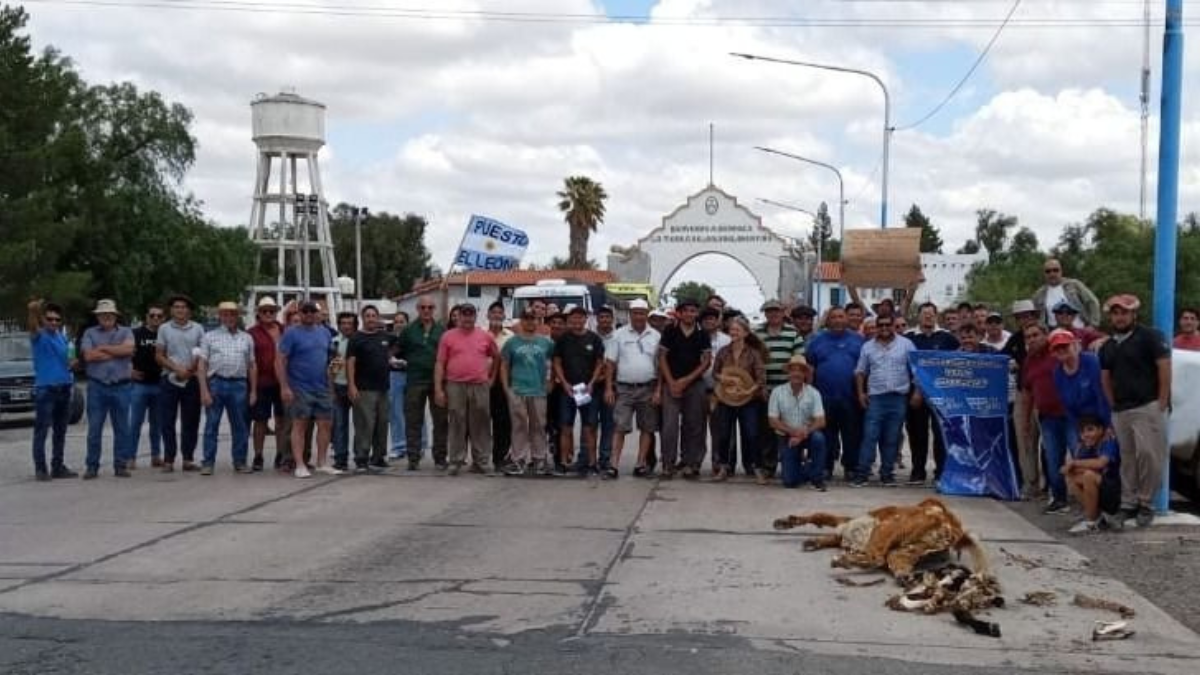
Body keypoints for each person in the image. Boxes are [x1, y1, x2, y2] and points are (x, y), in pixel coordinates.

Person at [1099, 294, 1171, 528]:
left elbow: (1164, 367)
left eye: (1124, 312)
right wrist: (1112, 406)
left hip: (1146, 405)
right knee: (1127, 459)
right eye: (1115, 312)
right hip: (1121, 409)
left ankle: (1146, 503)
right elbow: (1105, 377)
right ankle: (1128, 504)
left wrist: (1161, 401)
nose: (1119, 317)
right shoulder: (1108, 346)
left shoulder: (1150, 337)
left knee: (1149, 455)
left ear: (1134, 314)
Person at [852, 314, 915, 487]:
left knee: (891, 438)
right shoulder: (868, 347)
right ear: (877, 327)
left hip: (898, 398)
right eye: (881, 325)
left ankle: (887, 474)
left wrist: (917, 393)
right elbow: (860, 372)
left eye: (888, 325)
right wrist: (860, 393)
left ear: (894, 325)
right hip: (876, 399)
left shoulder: (906, 345)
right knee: (869, 437)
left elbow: (916, 371)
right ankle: (862, 474)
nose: (885, 328)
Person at [435, 304, 499, 475]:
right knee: (456, 422)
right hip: (455, 384)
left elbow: (496, 356)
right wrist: (438, 389)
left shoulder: (485, 336)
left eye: (471, 315)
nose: (467, 318)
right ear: (459, 316)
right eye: (464, 314)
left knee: (481, 424)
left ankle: (482, 461)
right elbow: (440, 363)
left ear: (475, 317)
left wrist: (492, 378)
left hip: (480, 385)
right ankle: (455, 461)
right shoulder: (447, 336)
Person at [277, 300, 336, 478]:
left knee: (325, 424)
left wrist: (331, 383)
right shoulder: (291, 334)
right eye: (305, 311)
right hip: (300, 387)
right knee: (300, 425)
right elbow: (281, 360)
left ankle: (322, 462)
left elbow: (330, 359)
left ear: (318, 313)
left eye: (312, 311)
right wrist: (285, 386)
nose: (309, 314)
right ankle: (300, 464)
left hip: (322, 387)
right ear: (300, 313)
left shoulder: (325, 333)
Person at [805, 306, 865, 481]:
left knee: (852, 434)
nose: (838, 320)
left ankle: (851, 467)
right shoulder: (817, 341)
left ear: (846, 319)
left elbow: (865, 369)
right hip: (824, 397)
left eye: (841, 317)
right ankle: (826, 467)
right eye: (834, 317)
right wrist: (809, 395)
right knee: (826, 435)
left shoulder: (858, 341)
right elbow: (810, 369)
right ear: (828, 321)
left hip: (851, 397)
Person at [197, 301, 256, 475]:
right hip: (216, 383)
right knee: (211, 425)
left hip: (239, 384)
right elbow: (202, 365)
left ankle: (240, 461)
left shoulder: (246, 338)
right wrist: (204, 390)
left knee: (240, 426)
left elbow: (252, 365)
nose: (229, 317)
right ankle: (207, 462)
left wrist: (253, 391)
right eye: (225, 314)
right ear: (220, 316)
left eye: (232, 314)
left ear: (238, 316)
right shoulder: (209, 337)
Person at [605, 299, 661, 479]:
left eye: (642, 313)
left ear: (647, 315)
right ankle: (613, 465)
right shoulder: (618, 334)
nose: (638, 316)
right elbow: (610, 363)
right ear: (630, 314)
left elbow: (661, 366)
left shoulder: (656, 336)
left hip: (648, 387)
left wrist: (658, 390)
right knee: (620, 427)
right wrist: (608, 388)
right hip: (624, 388)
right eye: (635, 313)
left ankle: (640, 464)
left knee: (647, 427)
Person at [80, 299, 135, 479]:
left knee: (122, 428)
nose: (106, 317)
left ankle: (120, 465)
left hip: (121, 386)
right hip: (97, 386)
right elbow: (88, 355)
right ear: (97, 316)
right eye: (102, 314)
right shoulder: (89, 333)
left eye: (110, 314)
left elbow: (128, 350)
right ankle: (92, 466)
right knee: (94, 429)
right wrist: (115, 351)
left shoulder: (127, 331)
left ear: (115, 315)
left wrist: (103, 348)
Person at [1021, 323, 1072, 514]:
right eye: (1028, 337)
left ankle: (1093, 501)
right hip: (1047, 417)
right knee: (1053, 459)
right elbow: (1027, 393)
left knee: (1080, 453)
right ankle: (1059, 499)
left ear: (1045, 335)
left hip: (1070, 414)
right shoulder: (1029, 361)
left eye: (1035, 335)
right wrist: (1026, 421)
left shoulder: (1058, 353)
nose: (1032, 339)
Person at [905, 302, 959, 485]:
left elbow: (955, 364)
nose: (928, 317)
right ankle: (918, 470)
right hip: (915, 394)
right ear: (918, 316)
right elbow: (907, 367)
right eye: (924, 313)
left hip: (941, 395)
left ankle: (941, 470)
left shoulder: (948, 338)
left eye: (931, 314)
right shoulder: (909, 338)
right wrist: (915, 390)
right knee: (917, 433)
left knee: (940, 433)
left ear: (936, 316)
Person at [659, 299, 712, 480]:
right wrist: (672, 381)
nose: (690, 314)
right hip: (671, 383)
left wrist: (686, 380)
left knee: (694, 425)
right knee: (669, 426)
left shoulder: (702, 333)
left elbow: (706, 361)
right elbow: (662, 357)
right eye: (687, 311)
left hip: (694, 383)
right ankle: (668, 463)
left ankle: (691, 463)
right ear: (679, 313)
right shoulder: (670, 330)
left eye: (693, 311)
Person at [500, 308, 556, 476]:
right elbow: (504, 365)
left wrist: (551, 382)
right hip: (518, 389)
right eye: (526, 318)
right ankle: (519, 460)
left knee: (539, 425)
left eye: (533, 318)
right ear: (521, 321)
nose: (530, 321)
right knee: (519, 426)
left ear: (537, 321)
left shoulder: (546, 343)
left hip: (538, 390)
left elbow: (554, 363)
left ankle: (539, 459)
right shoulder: (512, 342)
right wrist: (506, 387)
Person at [26, 299, 77, 481]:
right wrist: (33, 311)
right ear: (44, 320)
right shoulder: (39, 336)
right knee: (42, 430)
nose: (54, 322)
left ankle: (58, 466)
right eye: (50, 319)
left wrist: (74, 364)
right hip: (46, 388)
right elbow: (32, 326)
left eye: (57, 320)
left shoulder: (62, 338)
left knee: (60, 430)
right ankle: (41, 468)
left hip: (64, 387)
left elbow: (69, 361)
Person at [552, 305, 605, 477]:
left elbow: (599, 363)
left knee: (589, 427)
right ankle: (565, 462)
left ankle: (592, 463)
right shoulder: (563, 339)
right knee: (566, 426)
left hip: (588, 390)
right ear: (569, 320)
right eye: (573, 318)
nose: (576, 321)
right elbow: (557, 362)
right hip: (568, 390)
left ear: (585, 319)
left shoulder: (594, 339)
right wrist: (565, 383)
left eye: (580, 318)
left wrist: (592, 383)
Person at [711, 317, 767, 482]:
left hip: (748, 400)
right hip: (726, 398)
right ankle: (723, 467)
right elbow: (714, 373)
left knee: (751, 434)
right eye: (732, 329)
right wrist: (723, 378)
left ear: (746, 333)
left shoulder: (753, 353)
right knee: (724, 435)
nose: (733, 332)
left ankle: (757, 468)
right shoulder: (723, 352)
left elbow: (761, 378)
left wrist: (749, 390)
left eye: (737, 330)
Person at [397, 296, 448, 471]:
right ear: (418, 309)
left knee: (440, 420)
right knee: (413, 420)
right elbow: (398, 351)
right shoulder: (409, 330)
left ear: (434, 309)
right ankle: (413, 457)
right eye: (423, 307)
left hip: (437, 382)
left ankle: (440, 458)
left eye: (430, 307)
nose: (426, 310)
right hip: (414, 380)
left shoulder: (442, 331)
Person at [156, 293, 204, 472]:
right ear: (171, 310)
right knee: (167, 421)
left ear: (189, 311)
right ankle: (169, 459)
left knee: (191, 420)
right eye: (176, 307)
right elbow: (159, 355)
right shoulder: (164, 329)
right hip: (169, 379)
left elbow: (202, 353)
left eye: (183, 307)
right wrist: (176, 368)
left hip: (191, 380)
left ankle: (188, 459)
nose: (180, 310)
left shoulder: (198, 328)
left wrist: (190, 369)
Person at [755, 299, 802, 478]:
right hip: (764, 390)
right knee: (767, 430)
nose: (773, 314)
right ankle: (768, 466)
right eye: (769, 311)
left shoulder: (793, 333)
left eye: (776, 311)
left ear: (783, 313)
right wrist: (761, 387)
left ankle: (789, 465)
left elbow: (798, 361)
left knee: (787, 428)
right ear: (765, 313)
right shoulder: (757, 333)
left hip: (786, 389)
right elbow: (754, 362)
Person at [346, 305, 394, 472]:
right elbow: (350, 363)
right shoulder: (356, 338)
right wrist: (351, 386)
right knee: (365, 424)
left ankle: (378, 457)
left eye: (374, 315)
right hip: (364, 389)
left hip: (383, 388)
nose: (371, 318)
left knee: (382, 423)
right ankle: (361, 458)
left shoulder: (385, 336)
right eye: (368, 316)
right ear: (362, 318)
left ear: (378, 317)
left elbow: (395, 349)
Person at [1003, 299, 1043, 498]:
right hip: (1023, 392)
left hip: (1045, 394)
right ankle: (1030, 484)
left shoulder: (1049, 337)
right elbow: (1001, 358)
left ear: (1036, 317)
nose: (1025, 319)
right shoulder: (1016, 339)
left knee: (1050, 442)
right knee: (1024, 439)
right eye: (1020, 317)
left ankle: (1054, 486)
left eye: (1028, 315)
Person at [770, 355, 828, 490]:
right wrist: (793, 432)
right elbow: (773, 421)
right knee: (789, 482)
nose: (796, 373)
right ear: (788, 373)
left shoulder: (813, 393)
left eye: (800, 370)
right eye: (793, 370)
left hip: (807, 434)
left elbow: (821, 421)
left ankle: (817, 478)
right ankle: (806, 468)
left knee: (819, 438)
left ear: (805, 374)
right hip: (786, 436)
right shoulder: (777, 392)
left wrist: (802, 434)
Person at [1064, 415, 1122, 534]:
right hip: (1101, 489)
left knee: (1088, 476)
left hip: (1116, 492)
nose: (1086, 434)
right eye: (1082, 432)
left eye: (1090, 429)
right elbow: (1068, 470)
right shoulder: (1084, 447)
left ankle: (1091, 522)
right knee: (1072, 478)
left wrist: (1075, 463)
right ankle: (1096, 517)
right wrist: (1073, 466)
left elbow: (1101, 463)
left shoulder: (1108, 441)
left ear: (1100, 430)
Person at [248, 296, 287, 472]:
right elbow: (250, 362)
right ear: (259, 313)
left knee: (281, 420)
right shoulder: (251, 333)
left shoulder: (285, 330)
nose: (268, 314)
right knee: (260, 420)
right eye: (265, 311)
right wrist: (252, 389)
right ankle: (258, 455)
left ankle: (280, 454)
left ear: (276, 312)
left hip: (282, 382)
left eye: (272, 311)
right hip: (262, 382)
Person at [1051, 329, 1110, 433]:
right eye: (1057, 348)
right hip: (1081, 424)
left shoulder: (1091, 361)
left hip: (1102, 419)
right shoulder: (1057, 373)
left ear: (1074, 345)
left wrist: (1106, 425)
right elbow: (1067, 406)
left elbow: (1102, 395)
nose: (1061, 350)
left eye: (1064, 346)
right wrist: (1080, 430)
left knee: (1108, 447)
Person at [128, 304, 164, 468]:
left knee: (156, 424)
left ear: (163, 318)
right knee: (135, 423)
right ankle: (130, 457)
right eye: (152, 315)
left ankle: (156, 456)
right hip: (139, 385)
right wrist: (129, 371)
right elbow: (125, 355)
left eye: (159, 316)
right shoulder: (135, 334)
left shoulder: (165, 335)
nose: (155, 318)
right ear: (146, 317)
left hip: (160, 384)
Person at [700, 306, 731, 473]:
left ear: (718, 321)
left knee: (718, 430)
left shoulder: (726, 340)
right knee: (696, 428)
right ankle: (694, 461)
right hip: (698, 388)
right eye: (705, 319)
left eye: (712, 318)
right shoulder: (696, 337)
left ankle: (717, 462)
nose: (709, 322)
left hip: (719, 390)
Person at [487, 301, 515, 469]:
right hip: (484, 380)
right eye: (493, 312)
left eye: (500, 312)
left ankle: (500, 457)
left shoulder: (510, 337)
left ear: (504, 316)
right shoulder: (480, 334)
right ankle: (481, 458)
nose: (497, 315)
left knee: (503, 422)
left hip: (504, 382)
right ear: (488, 315)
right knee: (482, 421)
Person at [1034, 258, 1101, 328]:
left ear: (1061, 271)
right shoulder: (1039, 294)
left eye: (1055, 270)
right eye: (1048, 271)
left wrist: (1093, 325)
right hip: (1053, 334)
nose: (1052, 273)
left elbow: (1092, 302)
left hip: (1079, 330)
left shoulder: (1074, 285)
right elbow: (1035, 316)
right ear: (1044, 273)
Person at [592, 305, 618, 474]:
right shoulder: (590, 337)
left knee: (609, 424)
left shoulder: (618, 337)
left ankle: (606, 458)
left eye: (608, 317)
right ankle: (587, 459)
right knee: (590, 423)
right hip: (592, 386)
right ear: (597, 319)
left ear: (612, 319)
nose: (605, 320)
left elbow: (618, 362)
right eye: (601, 317)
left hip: (612, 385)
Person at [329, 312, 357, 471]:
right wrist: (331, 389)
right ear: (339, 325)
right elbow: (332, 368)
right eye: (343, 323)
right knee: (339, 424)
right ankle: (341, 458)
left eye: (350, 323)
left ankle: (361, 456)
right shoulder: (334, 343)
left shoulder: (359, 341)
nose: (346, 326)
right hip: (339, 386)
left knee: (360, 425)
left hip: (356, 387)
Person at [388, 310, 411, 461]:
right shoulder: (389, 339)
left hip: (411, 376)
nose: (399, 324)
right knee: (395, 413)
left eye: (402, 321)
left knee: (414, 412)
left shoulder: (412, 338)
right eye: (396, 321)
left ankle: (418, 445)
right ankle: (399, 446)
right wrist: (391, 360)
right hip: (394, 376)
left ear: (407, 323)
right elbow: (384, 355)